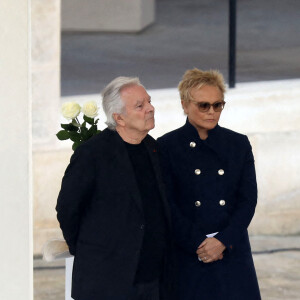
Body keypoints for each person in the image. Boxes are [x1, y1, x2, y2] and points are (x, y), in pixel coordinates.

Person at [56, 77, 175, 300]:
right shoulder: (92, 155)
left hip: (153, 281)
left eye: (149, 102)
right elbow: (67, 209)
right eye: (140, 106)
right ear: (118, 118)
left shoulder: (153, 148)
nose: (150, 108)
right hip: (107, 282)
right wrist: (90, 251)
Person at [157, 68, 261, 299]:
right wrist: (199, 244)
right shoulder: (166, 147)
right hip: (188, 254)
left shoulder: (238, 144)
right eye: (203, 105)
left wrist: (223, 241)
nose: (212, 111)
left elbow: (247, 200)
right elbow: (166, 204)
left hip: (231, 252)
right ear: (185, 105)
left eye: (218, 105)